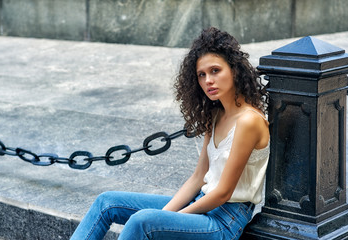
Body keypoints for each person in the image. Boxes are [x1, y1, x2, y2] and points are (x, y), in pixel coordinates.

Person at [70, 27, 270, 240]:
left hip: (224, 220)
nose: (208, 81)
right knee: (107, 203)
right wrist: (164, 216)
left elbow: (223, 193)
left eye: (215, 71)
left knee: (143, 221)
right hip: (201, 202)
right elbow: (198, 178)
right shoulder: (217, 115)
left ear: (234, 70)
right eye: (201, 75)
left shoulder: (249, 121)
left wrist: (167, 219)